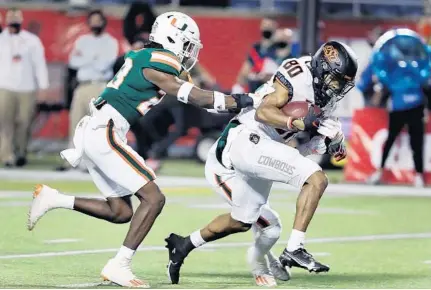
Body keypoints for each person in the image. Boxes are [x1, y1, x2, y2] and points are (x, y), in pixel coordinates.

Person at [27, 11, 253, 288]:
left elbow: (198, 97)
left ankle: (53, 199)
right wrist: (243, 100)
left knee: (121, 212)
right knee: (154, 198)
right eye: (187, 44)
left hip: (98, 128)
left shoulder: (147, 56)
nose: (189, 51)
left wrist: (225, 101)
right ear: (173, 39)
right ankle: (119, 265)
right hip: (105, 131)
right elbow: (194, 96)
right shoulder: (159, 61)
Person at [165, 41, 358, 285]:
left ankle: (183, 245)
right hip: (242, 144)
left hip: (264, 148)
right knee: (316, 178)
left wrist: (332, 142)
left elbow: (305, 145)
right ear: (322, 68)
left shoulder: (327, 98)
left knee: (253, 224)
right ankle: (292, 250)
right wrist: (299, 124)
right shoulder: (298, 74)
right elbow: (263, 113)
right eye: (336, 80)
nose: (337, 88)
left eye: (342, 83)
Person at [366, 29, 431, 187]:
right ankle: (379, 172)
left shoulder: (417, 68)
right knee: (390, 141)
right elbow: (384, 88)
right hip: (397, 109)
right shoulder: (392, 67)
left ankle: (418, 175)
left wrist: (428, 109)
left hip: (416, 108)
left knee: (417, 143)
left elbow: (426, 88)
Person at [56, 9, 119, 172]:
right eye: (93, 20)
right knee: (76, 124)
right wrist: (93, 58)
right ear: (89, 23)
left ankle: (94, 163)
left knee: (96, 126)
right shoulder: (82, 40)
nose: (95, 23)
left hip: (99, 86)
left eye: (99, 20)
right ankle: (73, 161)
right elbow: (73, 62)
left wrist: (86, 59)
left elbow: (104, 65)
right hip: (82, 85)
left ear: (103, 22)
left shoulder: (110, 42)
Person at [0, 8, 49, 167]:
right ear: (6, 20)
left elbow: (40, 64)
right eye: (10, 17)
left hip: (27, 88)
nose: (13, 20)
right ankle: (6, 156)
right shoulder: (1, 39)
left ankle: (20, 152)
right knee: (4, 122)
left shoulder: (31, 40)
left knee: (24, 122)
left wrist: (43, 86)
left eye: (16, 17)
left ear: (21, 20)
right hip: (5, 86)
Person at [232, 17, 278, 94]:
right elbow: (243, 74)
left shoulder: (278, 49)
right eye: (265, 26)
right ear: (261, 27)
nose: (267, 29)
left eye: (269, 27)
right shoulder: (256, 48)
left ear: (275, 28)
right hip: (255, 92)